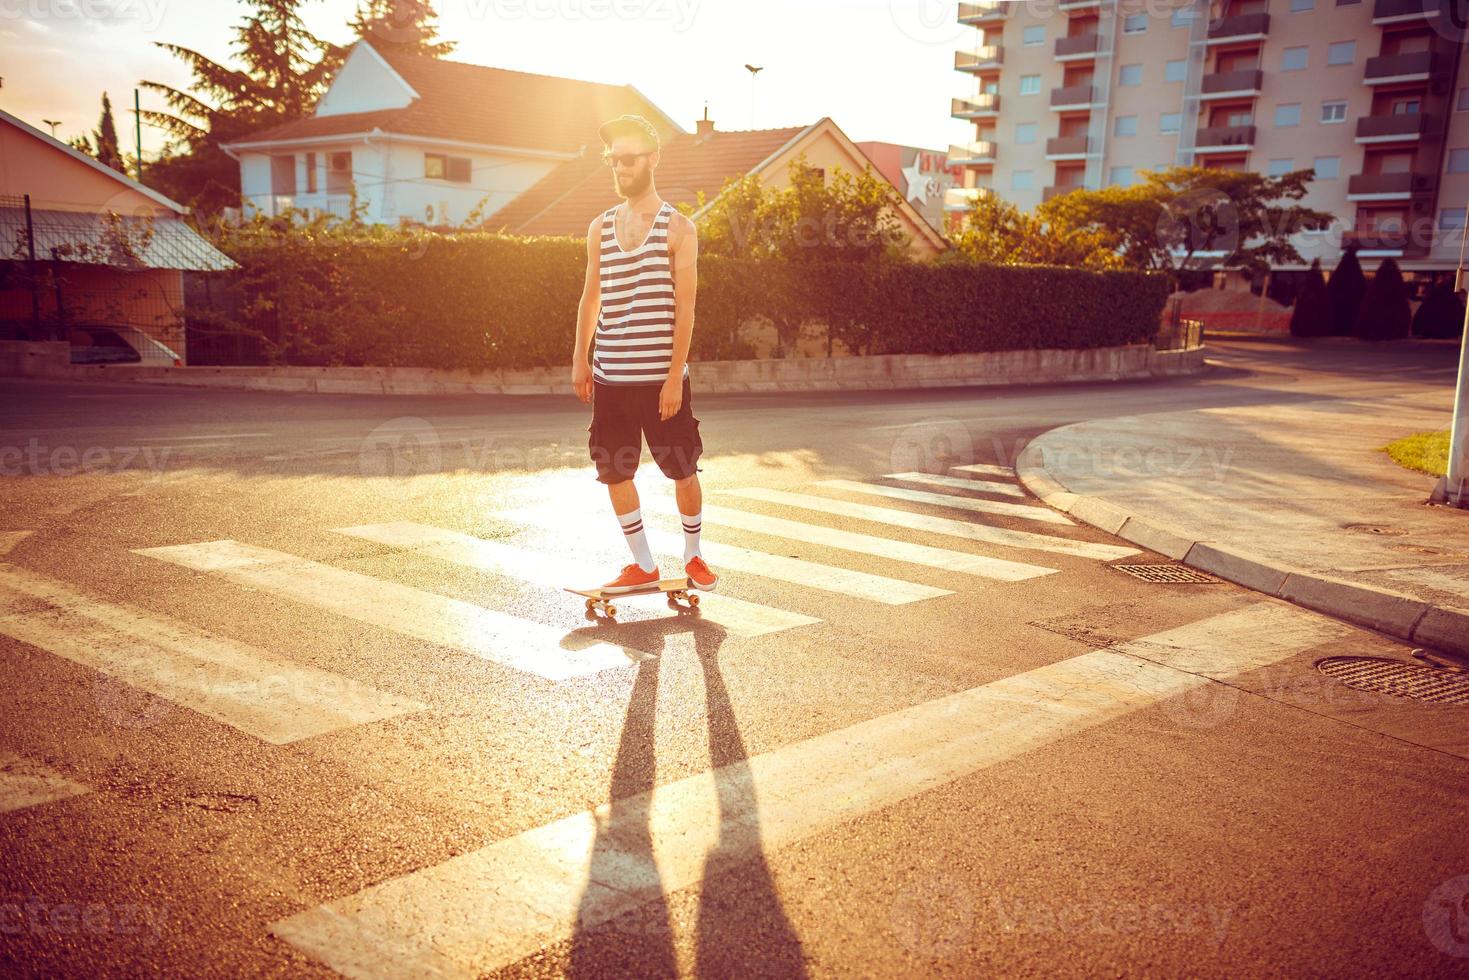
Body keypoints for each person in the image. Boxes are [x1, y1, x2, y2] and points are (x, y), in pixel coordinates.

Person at [572, 114, 718, 595]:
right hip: (611, 376)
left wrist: (675, 376)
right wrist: (579, 358)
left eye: (629, 159)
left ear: (653, 159)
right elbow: (590, 296)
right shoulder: (600, 227)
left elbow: (687, 307)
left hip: (661, 380)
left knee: (681, 467)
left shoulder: (679, 228)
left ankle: (693, 555)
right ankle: (642, 564)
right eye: (614, 160)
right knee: (614, 469)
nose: (621, 168)